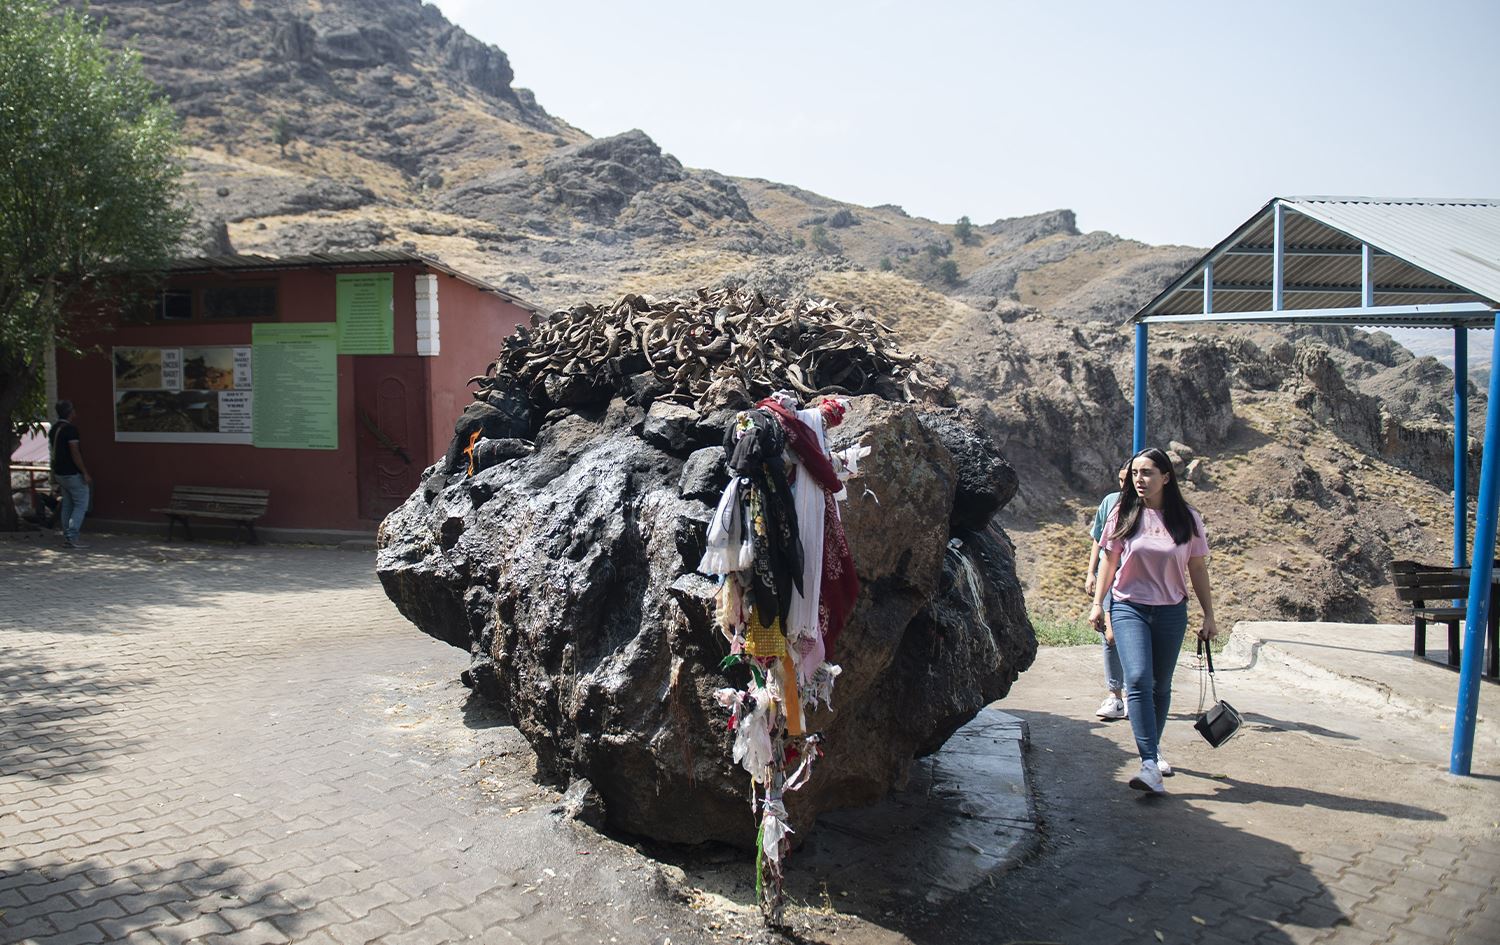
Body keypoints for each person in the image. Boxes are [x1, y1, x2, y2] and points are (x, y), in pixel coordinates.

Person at [1089, 447, 1217, 795]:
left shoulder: (1187, 519)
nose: (1139, 480)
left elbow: (1197, 567)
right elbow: (1108, 561)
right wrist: (1098, 603)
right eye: (1135, 474)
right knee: (1138, 679)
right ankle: (1148, 762)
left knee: (1161, 685)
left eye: (1146, 473)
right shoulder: (1122, 513)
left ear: (1166, 477)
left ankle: (1154, 750)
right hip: (1129, 607)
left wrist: (1209, 614)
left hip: (1171, 611)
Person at [1085, 459, 1132, 720]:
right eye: (1122, 479)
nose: (1125, 485)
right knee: (1110, 636)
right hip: (1110, 577)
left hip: (1134, 580)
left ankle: (1132, 695)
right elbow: (1098, 540)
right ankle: (1115, 695)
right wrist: (1091, 572)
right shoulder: (1111, 502)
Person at [49, 400, 92, 549]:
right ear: (70, 412)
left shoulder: (54, 429)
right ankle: (72, 537)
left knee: (67, 504)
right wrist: (84, 472)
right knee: (81, 504)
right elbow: (75, 452)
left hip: (60, 473)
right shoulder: (70, 430)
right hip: (72, 473)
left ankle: (67, 536)